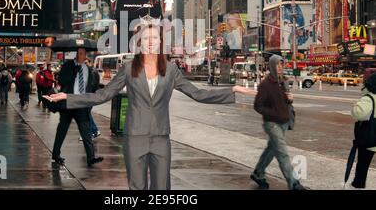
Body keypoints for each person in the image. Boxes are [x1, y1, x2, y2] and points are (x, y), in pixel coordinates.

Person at [45, 24, 254, 190]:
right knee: (137, 188)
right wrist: (68, 97)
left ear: (161, 41)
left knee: (162, 188)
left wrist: (233, 90)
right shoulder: (128, 69)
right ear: (139, 42)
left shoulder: (171, 70)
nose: (150, 42)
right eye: (145, 38)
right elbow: (103, 95)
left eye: (155, 38)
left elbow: (199, 94)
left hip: (161, 139)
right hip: (134, 138)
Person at [251, 55, 305, 190]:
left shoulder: (283, 82)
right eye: (277, 64)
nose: (280, 67)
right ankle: (294, 183)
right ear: (272, 66)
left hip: (283, 122)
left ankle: (258, 173)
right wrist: (273, 113)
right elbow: (258, 106)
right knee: (282, 153)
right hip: (272, 123)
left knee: (271, 150)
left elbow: (283, 102)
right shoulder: (265, 85)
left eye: (282, 64)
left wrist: (290, 99)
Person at [50, 48, 102, 167]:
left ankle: (91, 158)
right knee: (62, 130)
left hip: (82, 105)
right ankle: (56, 154)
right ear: (76, 54)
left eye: (84, 53)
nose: (82, 55)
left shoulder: (88, 69)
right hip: (68, 103)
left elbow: (91, 86)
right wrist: (74, 71)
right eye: (80, 53)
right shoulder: (68, 66)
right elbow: (62, 80)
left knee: (86, 132)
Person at [350, 73, 376, 189]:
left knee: (362, 165)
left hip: (370, 139)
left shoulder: (369, 98)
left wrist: (355, 106)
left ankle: (358, 184)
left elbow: (360, 114)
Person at [85, 58, 101, 139]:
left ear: (89, 62)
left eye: (86, 62)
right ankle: (94, 131)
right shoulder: (89, 71)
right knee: (87, 113)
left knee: (86, 114)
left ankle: (92, 132)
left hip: (90, 96)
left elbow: (92, 85)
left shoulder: (92, 72)